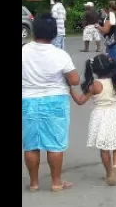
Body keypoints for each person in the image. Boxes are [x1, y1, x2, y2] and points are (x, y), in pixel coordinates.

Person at [22, 15, 81, 192]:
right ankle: (56, 182)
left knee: (31, 144)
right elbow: (75, 80)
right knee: (55, 143)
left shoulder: (24, 51)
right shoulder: (60, 55)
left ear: (33, 31)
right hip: (55, 101)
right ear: (54, 34)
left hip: (28, 100)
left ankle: (34, 183)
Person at [69, 54, 116, 186]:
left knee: (104, 149)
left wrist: (70, 90)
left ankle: (109, 173)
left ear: (94, 69)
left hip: (100, 117)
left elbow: (80, 101)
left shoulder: (95, 85)